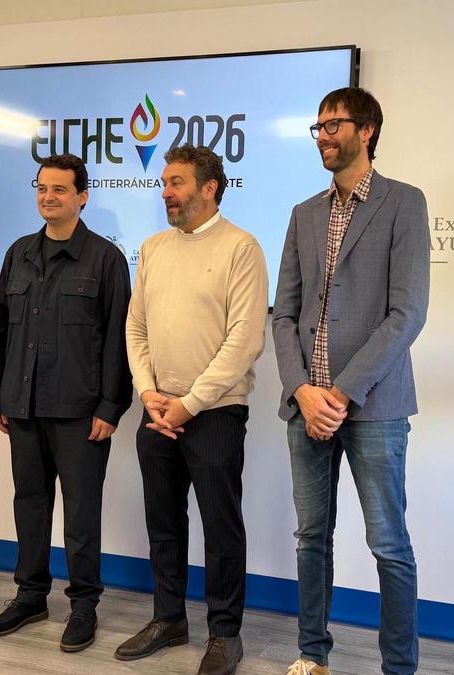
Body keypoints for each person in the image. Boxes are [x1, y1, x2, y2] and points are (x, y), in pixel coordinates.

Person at [272, 87, 430, 675]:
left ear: (367, 129)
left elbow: (407, 313)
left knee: (388, 544)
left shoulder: (403, 204)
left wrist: (339, 393)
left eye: (333, 124)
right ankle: (313, 657)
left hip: (374, 407)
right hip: (305, 407)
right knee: (311, 538)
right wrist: (302, 390)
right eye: (317, 127)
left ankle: (398, 668)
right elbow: (284, 313)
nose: (323, 135)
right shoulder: (303, 214)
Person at [118, 145, 268, 675]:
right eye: (163, 183)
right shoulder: (154, 248)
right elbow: (136, 326)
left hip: (215, 413)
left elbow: (245, 340)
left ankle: (225, 634)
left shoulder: (241, 248)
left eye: (176, 182)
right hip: (157, 410)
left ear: (209, 188)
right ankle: (168, 618)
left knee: (220, 527)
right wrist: (147, 391)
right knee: (163, 521)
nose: (166, 192)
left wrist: (189, 404)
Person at [0, 154, 132, 653]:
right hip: (22, 406)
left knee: (82, 511)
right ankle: (31, 595)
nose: (49, 196)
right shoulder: (19, 253)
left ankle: (84, 604)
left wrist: (111, 406)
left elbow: (118, 339)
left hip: (81, 411)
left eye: (60, 190)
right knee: (30, 503)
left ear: (82, 196)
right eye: (42, 188)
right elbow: (0, 329)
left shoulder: (106, 259)